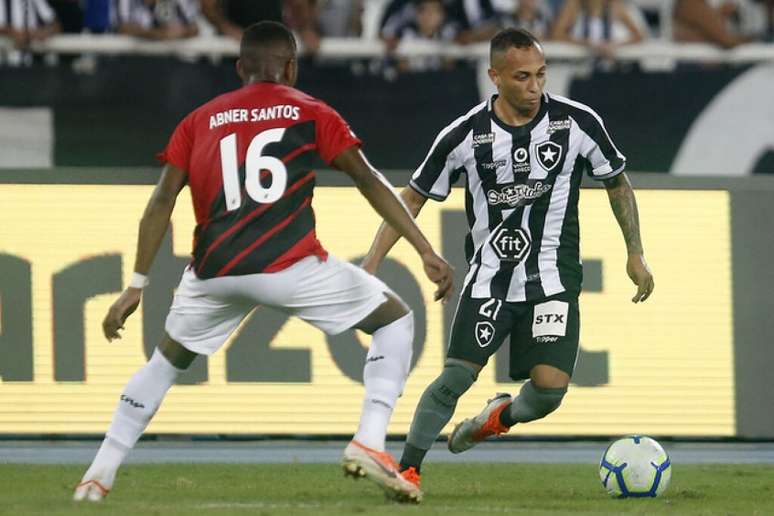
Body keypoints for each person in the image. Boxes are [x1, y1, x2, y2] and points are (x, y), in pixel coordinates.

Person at [73, 21, 452, 504]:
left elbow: (160, 202)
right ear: (291, 67)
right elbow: (369, 179)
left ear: (239, 68)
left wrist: (136, 284)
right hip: (289, 268)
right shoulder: (311, 110)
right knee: (396, 320)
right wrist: (423, 248)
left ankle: (96, 478)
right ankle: (370, 442)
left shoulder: (199, 119)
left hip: (213, 275)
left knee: (164, 363)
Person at [362, 27, 654, 499]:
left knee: (548, 394)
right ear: (494, 76)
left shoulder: (575, 122)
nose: (535, 86)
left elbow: (617, 182)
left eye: (541, 74)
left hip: (554, 282)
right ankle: (407, 471)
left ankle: (497, 418)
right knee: (454, 377)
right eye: (522, 77)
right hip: (490, 280)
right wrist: (373, 262)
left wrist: (635, 252)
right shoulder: (463, 135)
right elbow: (410, 198)